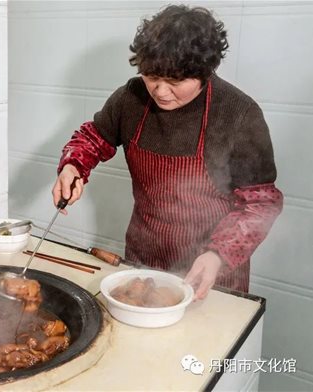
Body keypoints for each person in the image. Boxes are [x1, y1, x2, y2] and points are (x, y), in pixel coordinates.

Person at [53, 4, 283, 300]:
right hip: (143, 261)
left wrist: (217, 255)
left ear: (204, 72)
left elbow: (262, 204)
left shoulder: (238, 114)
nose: (160, 92)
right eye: (151, 76)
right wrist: (72, 166)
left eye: (175, 82)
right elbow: (93, 137)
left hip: (211, 272)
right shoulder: (130, 98)